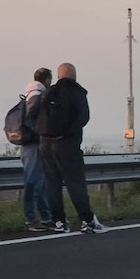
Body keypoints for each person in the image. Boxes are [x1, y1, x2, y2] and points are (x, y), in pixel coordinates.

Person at [35, 63, 104, 234]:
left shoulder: (48, 92)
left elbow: (37, 116)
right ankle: (87, 221)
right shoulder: (76, 91)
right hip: (66, 144)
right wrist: (67, 132)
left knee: (52, 184)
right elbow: (83, 117)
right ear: (74, 75)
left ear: (58, 76)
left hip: (45, 144)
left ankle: (59, 222)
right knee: (75, 183)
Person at [20, 67, 53, 232]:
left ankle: (47, 217)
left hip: (32, 144)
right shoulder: (37, 95)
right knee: (34, 181)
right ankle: (32, 219)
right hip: (34, 144)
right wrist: (41, 132)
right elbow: (30, 118)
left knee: (40, 182)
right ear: (47, 80)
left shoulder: (31, 93)